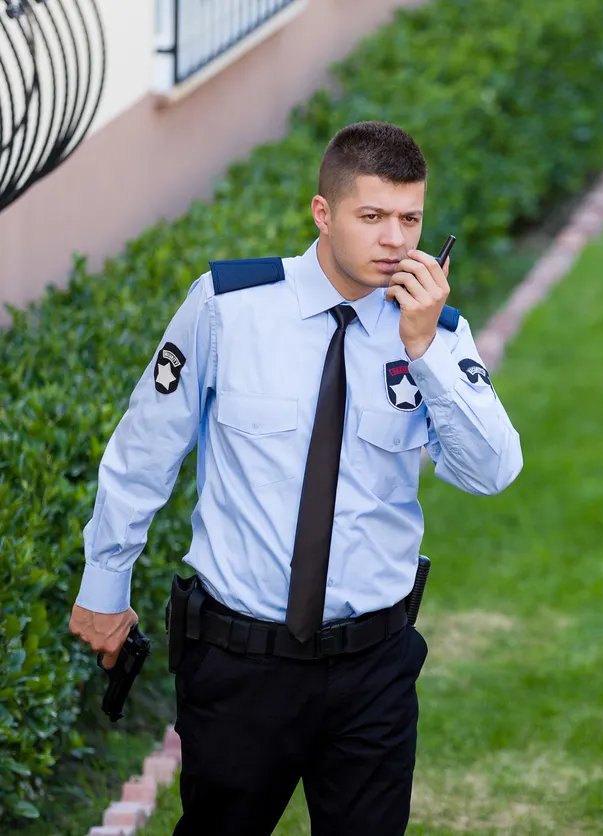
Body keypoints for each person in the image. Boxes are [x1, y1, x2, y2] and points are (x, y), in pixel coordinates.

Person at [67, 120, 523, 834]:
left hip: (374, 664)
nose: (397, 242)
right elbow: (143, 452)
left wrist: (426, 348)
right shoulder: (227, 307)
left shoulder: (434, 331)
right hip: (240, 662)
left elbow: (492, 472)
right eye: (372, 217)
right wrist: (104, 586)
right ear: (323, 212)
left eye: (411, 219)